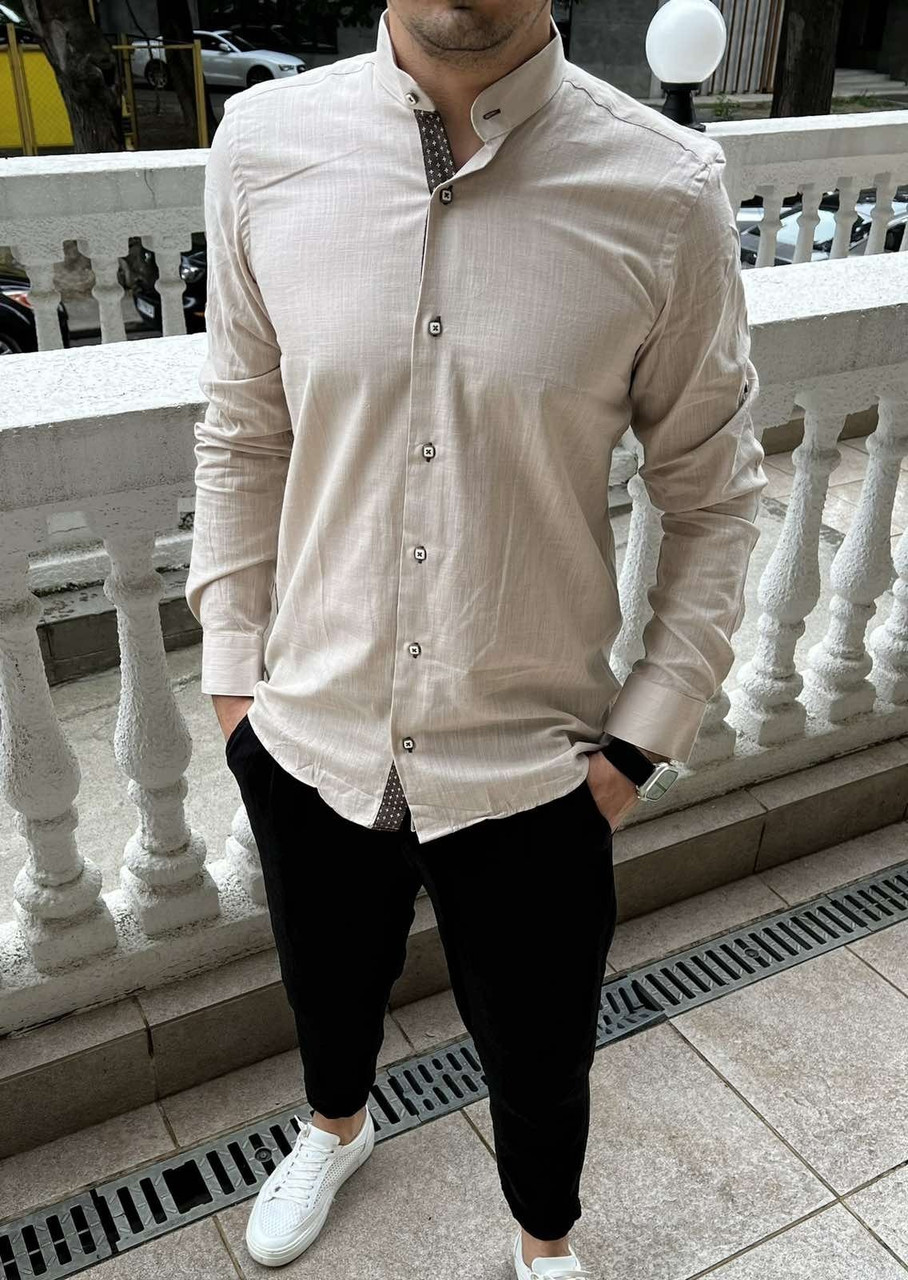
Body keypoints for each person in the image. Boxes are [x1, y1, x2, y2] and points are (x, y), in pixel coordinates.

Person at [185, 1, 766, 1274]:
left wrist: (638, 740)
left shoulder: (665, 187)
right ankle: (335, 1127)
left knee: (541, 1049)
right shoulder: (262, 145)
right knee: (324, 987)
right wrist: (234, 684)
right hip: (306, 730)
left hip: (535, 765)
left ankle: (542, 1241)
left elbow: (714, 494)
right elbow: (242, 430)